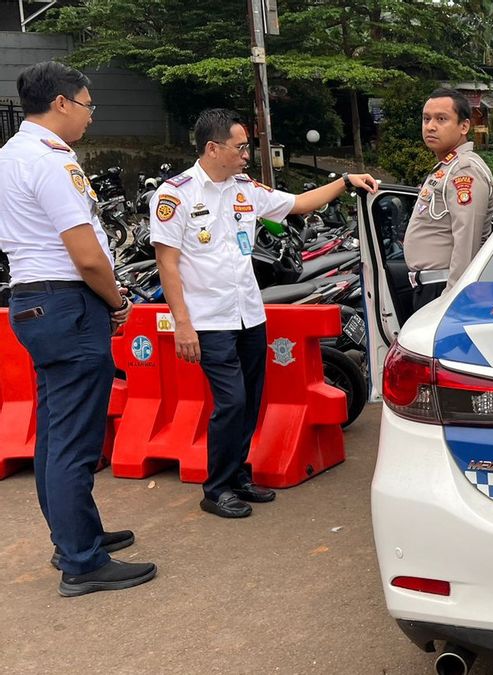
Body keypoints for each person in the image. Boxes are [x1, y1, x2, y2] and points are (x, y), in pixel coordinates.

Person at [151, 108, 378, 519]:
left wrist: (344, 182)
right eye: (240, 148)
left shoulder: (245, 189)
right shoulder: (175, 195)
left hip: (249, 315)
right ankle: (216, 487)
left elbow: (298, 203)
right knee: (232, 402)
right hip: (209, 321)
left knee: (252, 399)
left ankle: (238, 475)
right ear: (212, 148)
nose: (246, 155)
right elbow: (167, 264)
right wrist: (182, 324)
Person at [0, 61, 156, 596]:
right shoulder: (51, 160)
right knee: (73, 440)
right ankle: (81, 561)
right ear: (62, 103)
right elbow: (87, 256)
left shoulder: (9, 155)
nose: (91, 116)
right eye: (88, 105)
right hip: (68, 304)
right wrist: (116, 302)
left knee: (52, 434)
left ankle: (75, 534)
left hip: (31, 302)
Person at [404, 87, 493, 311]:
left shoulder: (464, 169)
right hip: (432, 286)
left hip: (444, 289)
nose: (431, 126)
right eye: (426, 119)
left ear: (464, 126)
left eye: (442, 119)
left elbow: (467, 239)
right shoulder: (448, 166)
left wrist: (453, 300)